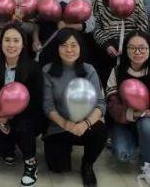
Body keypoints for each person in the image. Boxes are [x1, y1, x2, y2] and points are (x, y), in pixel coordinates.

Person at [42, 29, 106, 187]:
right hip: (59, 125)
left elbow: (100, 103)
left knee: (100, 132)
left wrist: (85, 123)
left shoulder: (89, 70)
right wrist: (65, 124)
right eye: (64, 45)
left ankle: (87, 165)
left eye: (73, 45)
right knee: (58, 168)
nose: (69, 50)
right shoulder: (47, 71)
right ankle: (65, 148)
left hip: (86, 123)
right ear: (57, 48)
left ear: (80, 47)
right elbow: (48, 106)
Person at [106, 31, 150, 187]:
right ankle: (142, 144)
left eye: (142, 48)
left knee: (146, 124)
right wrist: (133, 113)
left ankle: (148, 164)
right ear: (126, 50)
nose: (138, 52)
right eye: (132, 48)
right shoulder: (117, 71)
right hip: (125, 122)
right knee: (123, 155)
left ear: (149, 49)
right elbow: (112, 104)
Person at [0, 24, 44, 187]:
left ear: (23, 44)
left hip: (26, 116)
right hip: (1, 115)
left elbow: (37, 101)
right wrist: (0, 116)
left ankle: (30, 164)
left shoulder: (33, 68)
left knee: (22, 126)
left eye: (16, 40)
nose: (11, 45)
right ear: (1, 43)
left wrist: (13, 114)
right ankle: (9, 147)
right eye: (7, 40)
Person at [91, 0, 148, 87]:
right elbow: (95, 26)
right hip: (107, 51)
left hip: (132, 51)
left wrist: (131, 44)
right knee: (109, 85)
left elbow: (143, 24)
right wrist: (107, 44)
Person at [36, 0, 94, 66]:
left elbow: (91, 25)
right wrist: (35, 39)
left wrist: (68, 25)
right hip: (48, 43)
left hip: (71, 48)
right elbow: (38, 20)